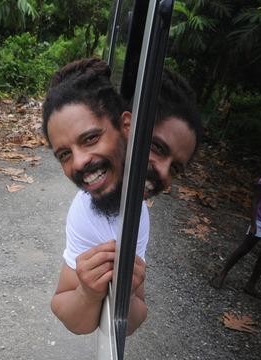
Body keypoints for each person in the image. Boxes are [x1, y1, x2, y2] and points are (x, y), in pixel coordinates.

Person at [42, 58, 201, 335]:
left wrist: (125, 295)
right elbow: (67, 310)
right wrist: (88, 293)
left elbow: (134, 315)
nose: (163, 172)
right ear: (126, 127)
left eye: (175, 167)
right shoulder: (87, 213)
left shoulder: (137, 213)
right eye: (156, 147)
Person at [210, 153, 261, 299]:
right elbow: (255, 202)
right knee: (244, 249)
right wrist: (253, 223)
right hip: (260, 222)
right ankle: (223, 273)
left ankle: (251, 284)